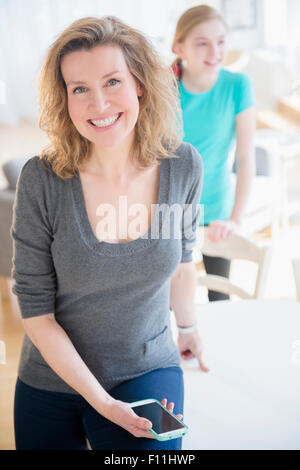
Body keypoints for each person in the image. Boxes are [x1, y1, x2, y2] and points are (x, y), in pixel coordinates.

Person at [11, 16, 209, 451]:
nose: (98, 104)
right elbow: (37, 312)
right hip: (52, 381)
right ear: (65, 99)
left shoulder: (183, 166)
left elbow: (181, 264)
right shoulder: (42, 180)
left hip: (147, 369)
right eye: (79, 88)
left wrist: (189, 326)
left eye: (112, 81)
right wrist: (102, 402)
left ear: (139, 82)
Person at [171, 5, 256, 301]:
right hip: (170, 210)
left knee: (220, 297)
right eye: (202, 43)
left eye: (221, 41)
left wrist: (234, 219)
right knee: (171, 302)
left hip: (217, 209)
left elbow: (246, 160)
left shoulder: (238, 86)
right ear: (179, 47)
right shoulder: (164, 90)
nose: (215, 51)